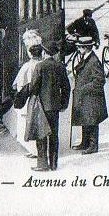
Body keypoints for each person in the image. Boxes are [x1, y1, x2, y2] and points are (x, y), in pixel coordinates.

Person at [25, 34, 71, 171]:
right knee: (54, 135)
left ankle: (42, 164)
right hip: (55, 107)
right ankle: (54, 164)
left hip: (42, 107)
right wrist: (63, 104)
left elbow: (33, 88)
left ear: (45, 52)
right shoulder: (60, 67)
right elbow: (66, 88)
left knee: (42, 135)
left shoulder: (40, 66)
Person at [71, 36, 108, 154]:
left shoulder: (94, 61)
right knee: (85, 118)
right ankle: (84, 142)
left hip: (92, 97)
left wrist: (84, 89)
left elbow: (100, 80)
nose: (78, 49)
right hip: (86, 97)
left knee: (92, 120)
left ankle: (93, 146)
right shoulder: (86, 57)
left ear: (86, 48)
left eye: (79, 47)